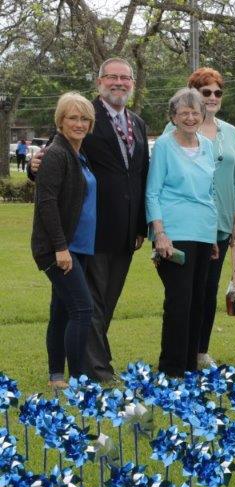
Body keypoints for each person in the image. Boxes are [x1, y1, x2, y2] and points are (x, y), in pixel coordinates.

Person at [29, 57, 149, 382]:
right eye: (112, 77)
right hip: (89, 234)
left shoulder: (137, 124)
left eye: (125, 78)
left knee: (97, 305)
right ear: (100, 82)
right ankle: (93, 370)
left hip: (124, 232)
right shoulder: (82, 119)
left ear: (132, 84)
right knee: (87, 306)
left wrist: (141, 225)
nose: (119, 83)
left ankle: (66, 371)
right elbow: (48, 166)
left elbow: (140, 176)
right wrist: (32, 166)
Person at [173, 68, 235, 368]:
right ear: (192, 95)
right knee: (184, 292)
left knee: (208, 290)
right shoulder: (176, 131)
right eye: (206, 92)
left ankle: (201, 351)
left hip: (222, 224)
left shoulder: (231, 132)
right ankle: (180, 352)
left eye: (217, 92)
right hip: (187, 224)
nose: (212, 97)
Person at [146, 88, 218, 377]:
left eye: (195, 111)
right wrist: (160, 233)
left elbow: (210, 192)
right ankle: (171, 367)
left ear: (203, 115)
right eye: (184, 112)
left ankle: (190, 366)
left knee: (198, 300)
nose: (190, 117)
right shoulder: (164, 145)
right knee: (179, 300)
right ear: (173, 117)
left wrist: (212, 236)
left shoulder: (208, 146)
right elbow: (152, 193)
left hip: (203, 231)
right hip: (174, 233)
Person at [30, 93, 97, 390]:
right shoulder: (56, 153)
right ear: (60, 120)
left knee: (61, 311)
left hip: (78, 245)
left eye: (84, 118)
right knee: (83, 310)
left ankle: (56, 376)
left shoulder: (78, 153)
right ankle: (78, 379)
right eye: (73, 118)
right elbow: (46, 203)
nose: (79, 124)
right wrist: (60, 247)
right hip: (60, 248)